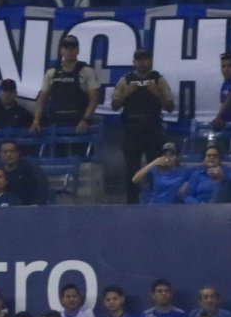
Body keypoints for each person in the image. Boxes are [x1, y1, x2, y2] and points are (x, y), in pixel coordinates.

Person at [111, 49, 176, 204]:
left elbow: (170, 106)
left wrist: (156, 93)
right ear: (134, 62)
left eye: (145, 59)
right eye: (139, 59)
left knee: (157, 166)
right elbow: (114, 105)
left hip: (152, 126)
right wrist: (127, 92)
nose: (142, 62)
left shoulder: (158, 79)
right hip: (132, 127)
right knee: (132, 168)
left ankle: (157, 201)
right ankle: (132, 203)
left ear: (151, 61)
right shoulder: (126, 80)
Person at [32, 35, 99, 134]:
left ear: (77, 50)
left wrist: (85, 120)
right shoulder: (52, 72)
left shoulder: (86, 71)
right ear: (61, 50)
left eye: (72, 48)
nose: (69, 51)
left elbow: (94, 99)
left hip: (78, 122)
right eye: (66, 48)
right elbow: (41, 99)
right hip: (56, 121)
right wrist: (36, 120)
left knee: (79, 149)